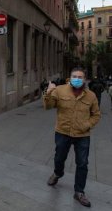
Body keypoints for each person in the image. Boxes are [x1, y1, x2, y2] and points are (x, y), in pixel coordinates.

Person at [44, 67, 101, 208]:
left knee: (82, 163)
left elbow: (96, 114)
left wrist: (87, 124)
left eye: (80, 77)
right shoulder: (60, 89)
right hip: (63, 132)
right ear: (70, 77)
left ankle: (79, 192)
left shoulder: (91, 96)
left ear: (85, 79)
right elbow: (48, 106)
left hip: (82, 135)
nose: (77, 79)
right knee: (59, 158)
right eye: (74, 76)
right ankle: (57, 173)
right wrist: (49, 91)